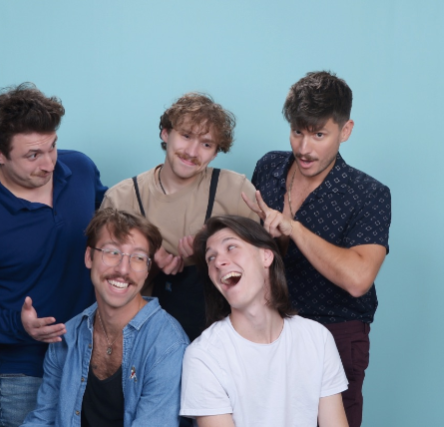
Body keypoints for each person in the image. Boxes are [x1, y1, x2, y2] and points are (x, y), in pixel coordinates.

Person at [0, 83, 107, 427]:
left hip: (94, 356)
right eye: (33, 155)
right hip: (25, 374)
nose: (49, 163)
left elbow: (110, 225)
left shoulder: (80, 168)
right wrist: (18, 325)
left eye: (52, 146)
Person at [246, 71, 392, 427]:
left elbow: (358, 278)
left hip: (334, 334)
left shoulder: (368, 194)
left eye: (319, 135)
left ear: (346, 130)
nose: (304, 148)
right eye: (298, 131)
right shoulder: (269, 166)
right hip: (265, 329)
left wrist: (293, 228)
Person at [101, 92, 258, 340]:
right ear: (165, 133)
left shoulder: (236, 191)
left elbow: (263, 268)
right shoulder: (121, 198)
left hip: (224, 334)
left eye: (206, 144)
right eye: (186, 136)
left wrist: (210, 251)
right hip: (142, 336)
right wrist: (147, 262)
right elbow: (102, 276)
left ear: (215, 153)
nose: (192, 152)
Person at [21, 208, 189, 427]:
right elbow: (43, 419)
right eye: (112, 252)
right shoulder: (67, 337)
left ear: (148, 269)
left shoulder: (168, 345)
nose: (123, 269)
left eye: (138, 257)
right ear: (89, 257)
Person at [180, 215, 348, 426]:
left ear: (266, 256)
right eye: (210, 258)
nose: (218, 262)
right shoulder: (203, 356)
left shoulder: (317, 338)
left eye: (231, 247)